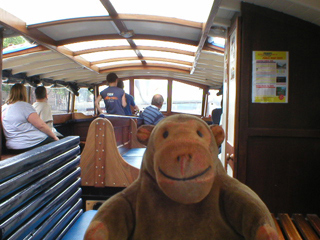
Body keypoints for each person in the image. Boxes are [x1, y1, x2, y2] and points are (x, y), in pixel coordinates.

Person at [1, 83, 59, 153]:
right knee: (61, 146)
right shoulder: (24, 106)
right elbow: (41, 125)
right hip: (31, 142)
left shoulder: (4, 108)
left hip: (12, 145)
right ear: (24, 94)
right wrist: (55, 137)